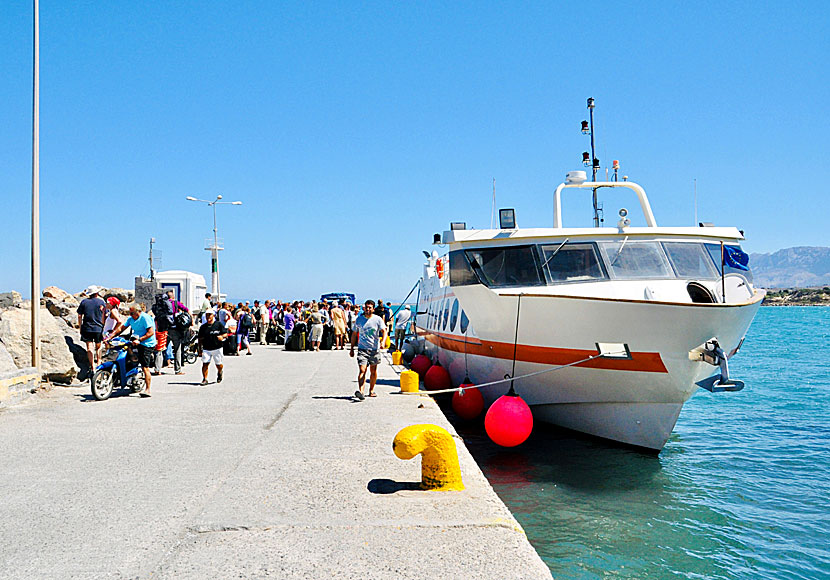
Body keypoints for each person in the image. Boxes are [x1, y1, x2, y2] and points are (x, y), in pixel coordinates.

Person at [108, 304, 156, 397]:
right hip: (135, 340)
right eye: (129, 313)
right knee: (126, 350)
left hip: (147, 343)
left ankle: (148, 389)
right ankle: (129, 373)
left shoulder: (145, 318)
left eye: (132, 313)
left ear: (138, 312)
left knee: (144, 366)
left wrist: (140, 340)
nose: (130, 315)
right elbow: (121, 328)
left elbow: (151, 332)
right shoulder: (131, 319)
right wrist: (111, 336)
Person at [349, 300, 387, 400]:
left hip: (374, 349)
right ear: (364, 308)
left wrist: (383, 342)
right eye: (366, 307)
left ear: (373, 309)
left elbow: (384, 331)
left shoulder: (377, 319)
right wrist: (352, 348)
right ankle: (361, 391)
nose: (368, 309)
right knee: (362, 370)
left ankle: (371, 390)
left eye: (370, 307)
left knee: (373, 371)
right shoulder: (359, 319)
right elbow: (354, 334)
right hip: (362, 349)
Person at [76, 285, 107, 375]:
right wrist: (103, 325)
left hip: (87, 327)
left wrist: (80, 327)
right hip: (98, 327)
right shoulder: (101, 302)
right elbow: (105, 315)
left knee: (89, 347)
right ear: (97, 293)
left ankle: (92, 366)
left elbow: (79, 315)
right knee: (98, 346)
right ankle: (98, 363)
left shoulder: (84, 302)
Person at [197, 309, 227, 385]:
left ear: (213, 315)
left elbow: (225, 334)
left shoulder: (218, 324)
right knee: (205, 363)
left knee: (218, 364)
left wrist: (222, 337)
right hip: (206, 348)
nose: (208, 317)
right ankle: (205, 379)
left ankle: (220, 372)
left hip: (217, 348)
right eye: (207, 315)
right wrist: (199, 349)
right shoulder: (203, 327)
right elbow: (200, 339)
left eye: (210, 315)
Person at [167, 290, 191, 375]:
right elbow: (186, 309)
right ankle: (177, 369)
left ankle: (157, 368)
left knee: (161, 348)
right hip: (175, 329)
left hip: (164, 329)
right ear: (172, 296)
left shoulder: (162, 304)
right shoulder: (175, 303)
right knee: (177, 348)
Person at [151, 293, 174, 375]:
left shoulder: (155, 307)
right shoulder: (167, 308)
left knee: (159, 350)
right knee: (160, 349)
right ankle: (159, 368)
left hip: (158, 329)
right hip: (164, 329)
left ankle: (158, 367)